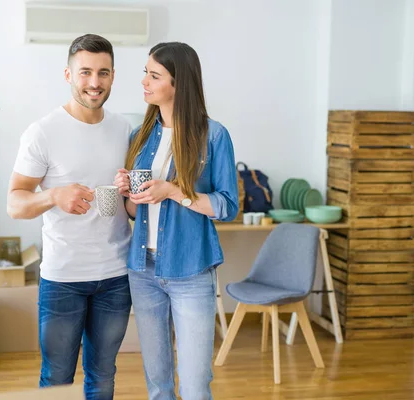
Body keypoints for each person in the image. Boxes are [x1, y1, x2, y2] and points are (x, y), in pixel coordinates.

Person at [7, 33, 133, 400]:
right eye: (85, 72)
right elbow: (15, 203)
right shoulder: (43, 132)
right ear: (68, 75)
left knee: (103, 375)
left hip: (115, 275)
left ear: (113, 76)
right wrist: (54, 195)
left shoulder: (124, 128)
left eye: (103, 73)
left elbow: (130, 207)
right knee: (58, 379)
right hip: (63, 278)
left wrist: (129, 191)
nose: (95, 82)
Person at [113, 42, 239, 400]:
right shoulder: (140, 136)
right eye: (145, 72)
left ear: (178, 84)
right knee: (158, 383)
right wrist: (129, 194)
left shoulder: (213, 136)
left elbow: (228, 206)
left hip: (191, 271)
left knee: (196, 383)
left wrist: (173, 191)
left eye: (154, 75)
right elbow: (136, 213)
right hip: (143, 270)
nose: (144, 82)